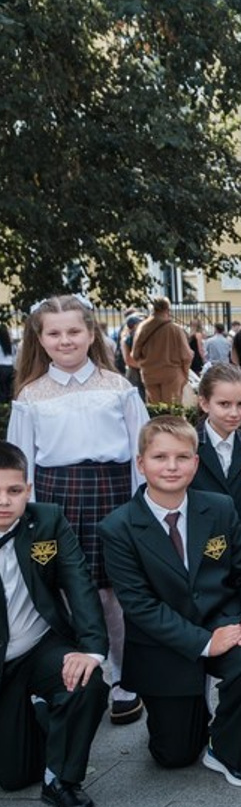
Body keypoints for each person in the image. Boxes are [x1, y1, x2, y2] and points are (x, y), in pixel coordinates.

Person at [100, 416, 241, 786]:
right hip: (163, 644)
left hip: (221, 621)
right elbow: (140, 605)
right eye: (160, 457)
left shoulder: (219, 508)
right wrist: (205, 644)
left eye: (182, 457)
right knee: (175, 756)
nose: (171, 466)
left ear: (196, 463)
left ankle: (227, 750)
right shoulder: (119, 527)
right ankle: (193, 709)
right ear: (141, 463)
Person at [8, 295, 149, 726]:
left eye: (74, 331)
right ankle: (72, 675)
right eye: (54, 333)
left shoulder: (118, 386)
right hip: (54, 499)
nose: (65, 340)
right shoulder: (31, 394)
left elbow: (141, 449)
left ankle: (125, 677)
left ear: (91, 333)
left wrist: (140, 507)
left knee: (114, 592)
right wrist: (24, 513)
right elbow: (21, 459)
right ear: (40, 337)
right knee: (62, 591)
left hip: (110, 495)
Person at [0, 443, 109, 807]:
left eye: (14, 491)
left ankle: (61, 780)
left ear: (28, 490)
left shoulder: (47, 520)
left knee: (84, 681)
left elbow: (79, 584)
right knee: (13, 777)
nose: (4, 501)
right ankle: (41, 718)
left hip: (38, 647)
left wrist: (92, 650)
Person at [193, 363, 241, 558]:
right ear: (204, 403)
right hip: (199, 556)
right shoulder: (187, 448)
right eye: (224, 404)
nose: (234, 413)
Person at [130, 297, 192, 405]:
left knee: (155, 410)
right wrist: (185, 374)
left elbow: (135, 354)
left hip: (149, 374)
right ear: (167, 310)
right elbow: (186, 355)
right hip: (172, 374)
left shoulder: (142, 328)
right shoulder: (175, 329)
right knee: (172, 410)